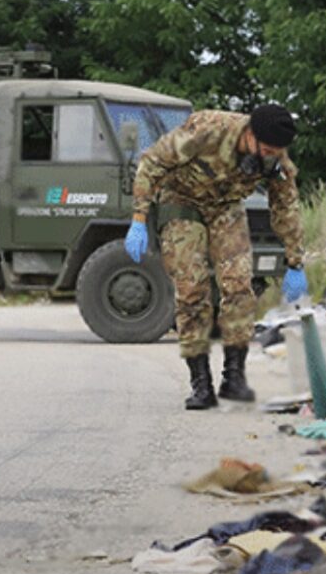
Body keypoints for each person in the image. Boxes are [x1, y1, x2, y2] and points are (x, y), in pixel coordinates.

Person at [126, 104, 309, 410]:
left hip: (226, 206)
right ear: (249, 135)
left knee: (239, 287)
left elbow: (286, 208)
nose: (269, 157)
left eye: (275, 152)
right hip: (182, 199)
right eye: (264, 150)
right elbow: (152, 163)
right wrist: (139, 218)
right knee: (192, 289)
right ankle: (200, 384)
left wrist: (295, 261)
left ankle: (233, 376)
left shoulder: (275, 157)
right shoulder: (207, 131)